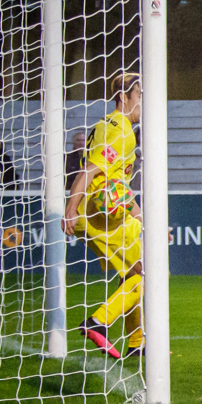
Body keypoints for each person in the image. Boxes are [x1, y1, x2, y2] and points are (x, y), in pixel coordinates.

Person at [62, 73, 143, 359]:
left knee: (131, 273)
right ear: (124, 98)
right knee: (148, 273)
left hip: (96, 212)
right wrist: (70, 208)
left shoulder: (104, 124)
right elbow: (91, 172)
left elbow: (113, 180)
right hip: (103, 214)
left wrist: (137, 212)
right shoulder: (121, 131)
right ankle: (99, 322)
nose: (142, 102)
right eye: (139, 96)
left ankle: (136, 343)